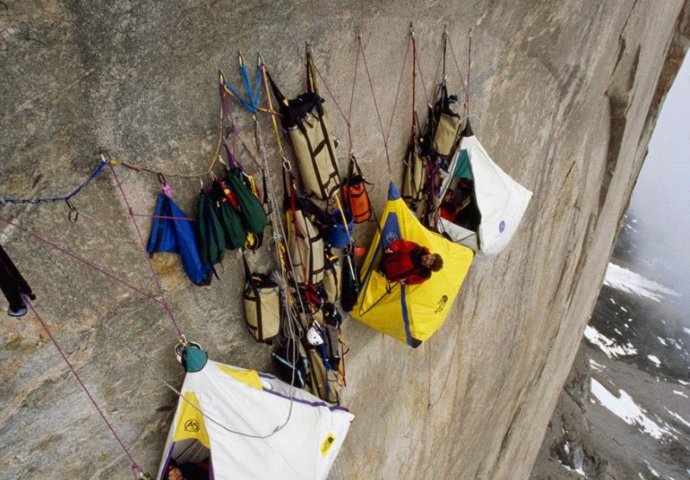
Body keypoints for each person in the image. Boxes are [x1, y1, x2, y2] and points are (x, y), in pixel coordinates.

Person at [379, 239, 443, 285]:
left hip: (385, 275)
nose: (429, 257)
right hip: (385, 255)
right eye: (432, 256)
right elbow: (402, 244)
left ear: (428, 266)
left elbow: (412, 280)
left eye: (431, 260)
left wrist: (406, 281)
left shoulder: (423, 274)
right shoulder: (416, 249)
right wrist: (392, 248)